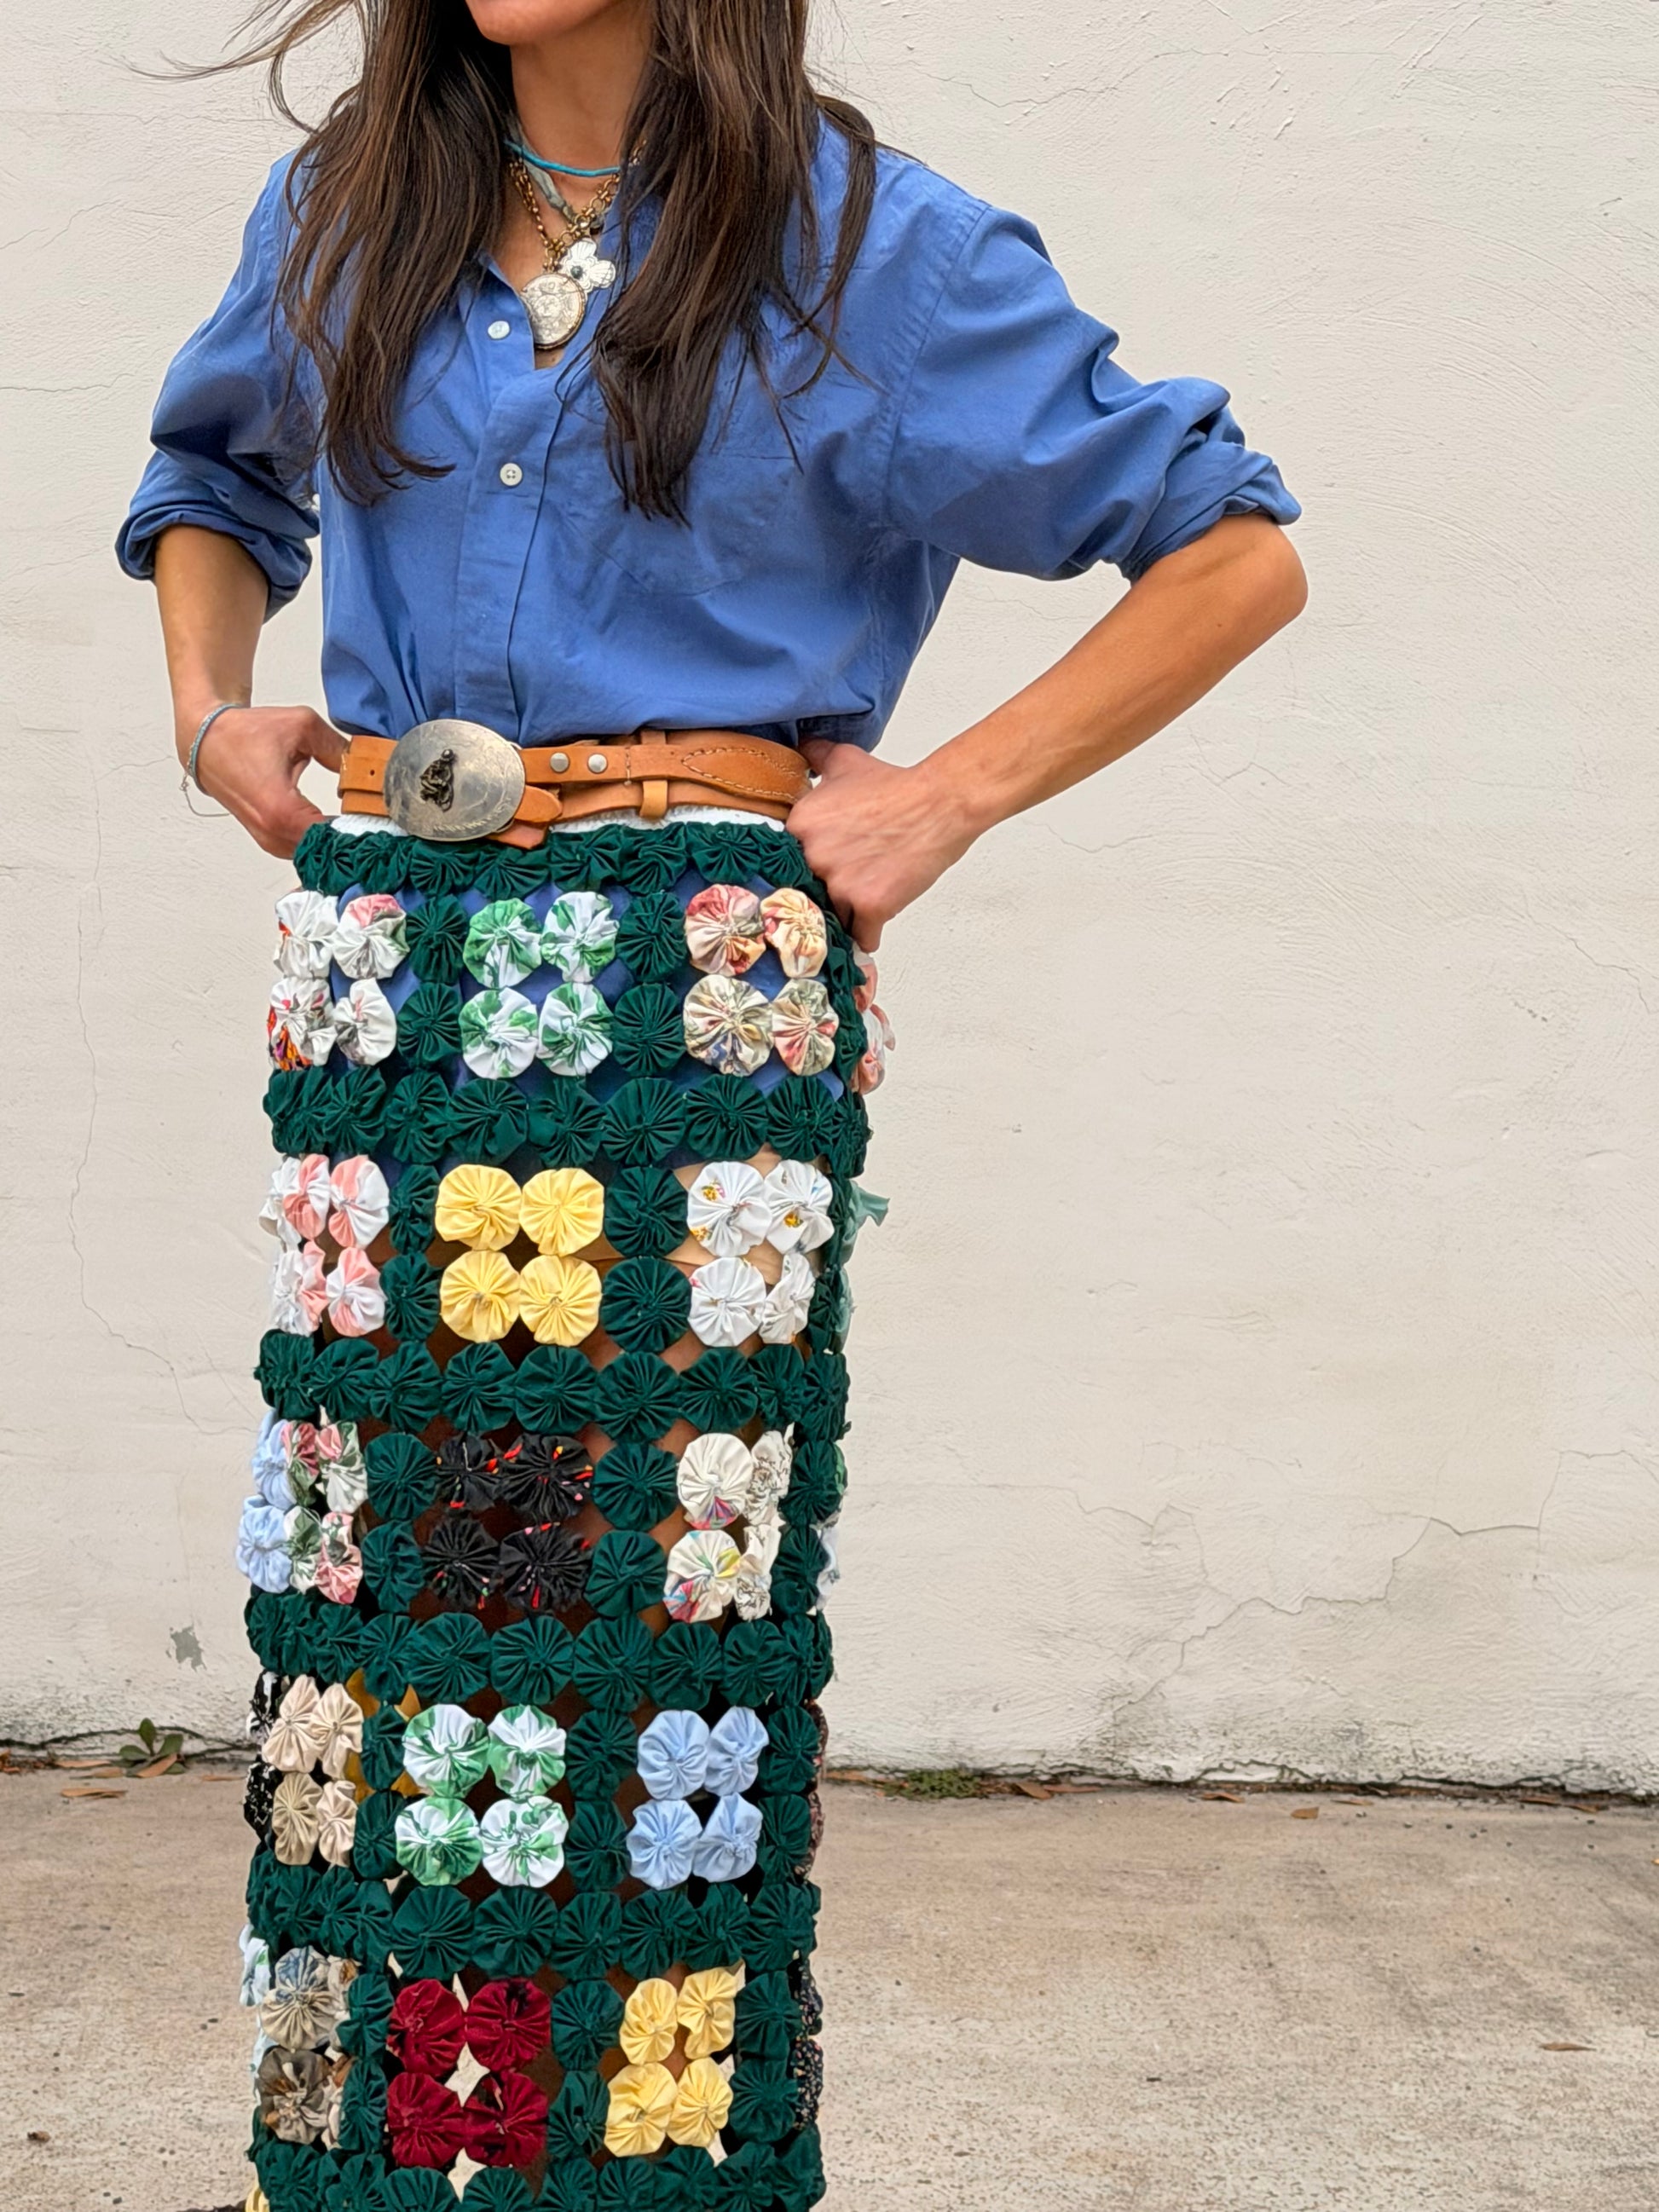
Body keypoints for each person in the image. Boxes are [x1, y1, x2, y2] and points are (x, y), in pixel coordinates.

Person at [119, 3, 1305, 2206]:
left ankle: (647, 2172)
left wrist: (950, 795)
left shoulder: (871, 250)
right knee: (372, 1631)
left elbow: (1229, 544)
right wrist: (212, 716)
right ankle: (386, 2170)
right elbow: (211, 480)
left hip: (691, 1008)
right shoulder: (351, 207)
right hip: (396, 985)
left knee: (655, 1633)